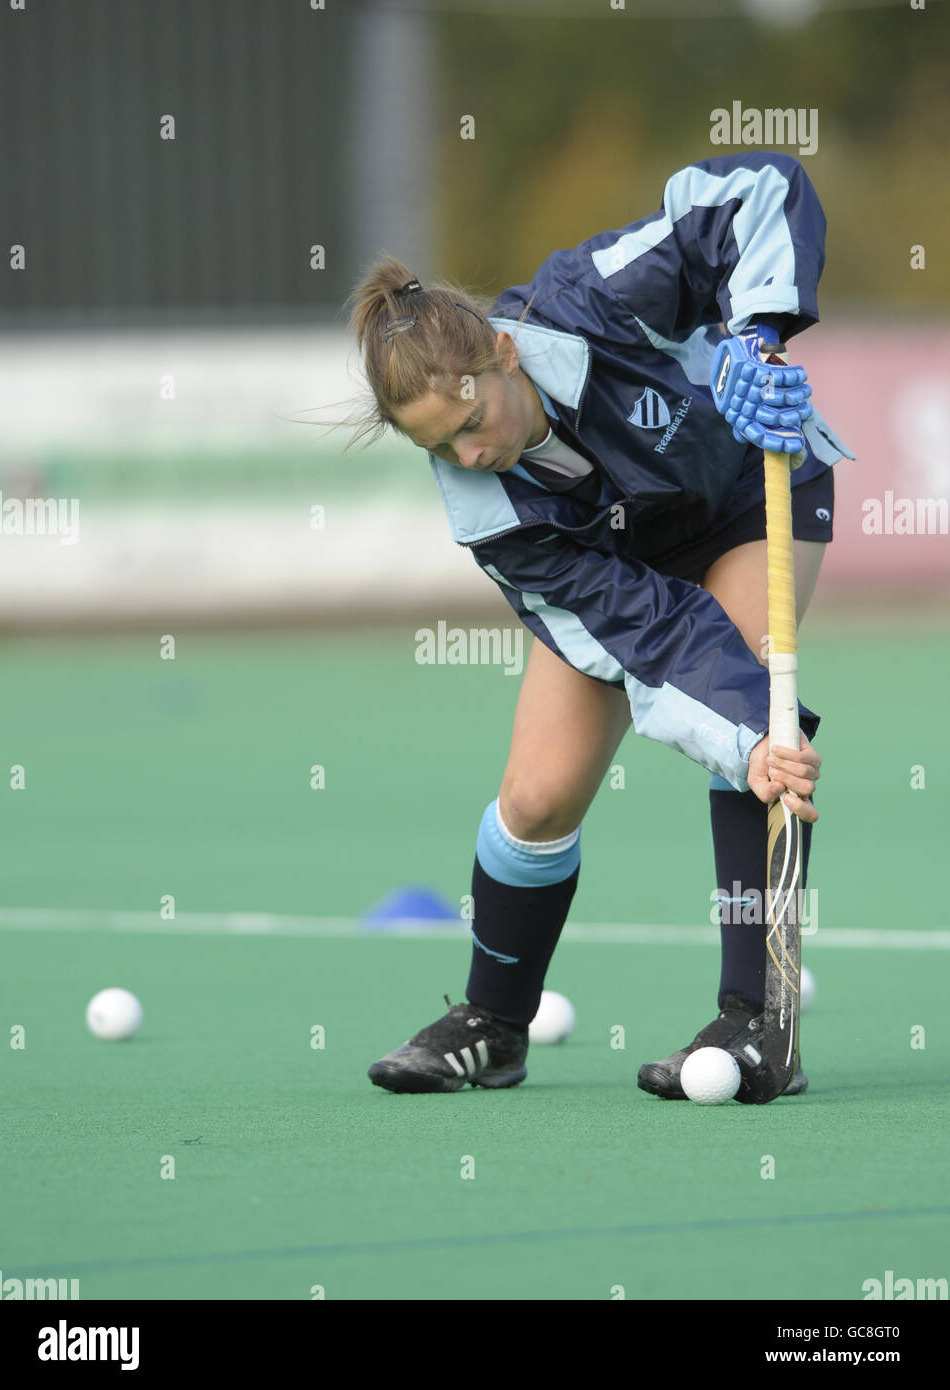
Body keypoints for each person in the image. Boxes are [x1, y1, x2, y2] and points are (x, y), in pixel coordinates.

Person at [344, 150, 852, 1102]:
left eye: (468, 423)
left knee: (749, 731)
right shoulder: (492, 511)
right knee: (536, 798)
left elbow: (753, 189)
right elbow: (637, 628)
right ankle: (495, 1025)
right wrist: (743, 732)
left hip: (747, 488)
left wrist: (757, 335)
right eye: (438, 450)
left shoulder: (592, 297)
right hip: (620, 579)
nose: (470, 454)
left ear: (500, 351)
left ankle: (760, 1024)